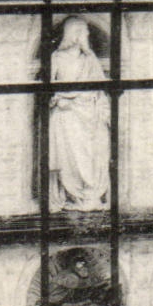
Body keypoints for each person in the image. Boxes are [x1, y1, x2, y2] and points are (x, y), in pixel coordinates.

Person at [48, 17, 111, 211]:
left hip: (89, 115)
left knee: (94, 154)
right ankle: (75, 196)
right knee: (70, 159)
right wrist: (60, 99)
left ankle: (91, 194)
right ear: (74, 34)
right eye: (84, 32)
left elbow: (101, 88)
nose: (87, 35)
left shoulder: (89, 59)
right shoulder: (57, 57)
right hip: (67, 115)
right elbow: (49, 89)